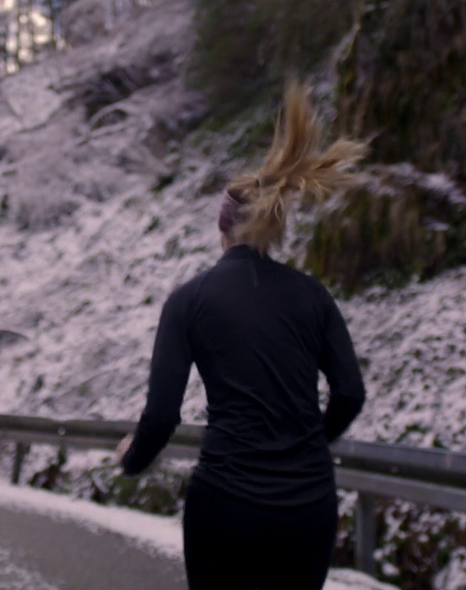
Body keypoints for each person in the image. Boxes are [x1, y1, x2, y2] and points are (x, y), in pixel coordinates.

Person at [116, 81, 368, 590]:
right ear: (272, 229)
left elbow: (163, 416)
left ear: (223, 229)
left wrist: (133, 458)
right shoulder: (313, 295)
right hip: (309, 508)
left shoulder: (188, 300)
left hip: (227, 506)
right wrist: (307, 446)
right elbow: (349, 393)